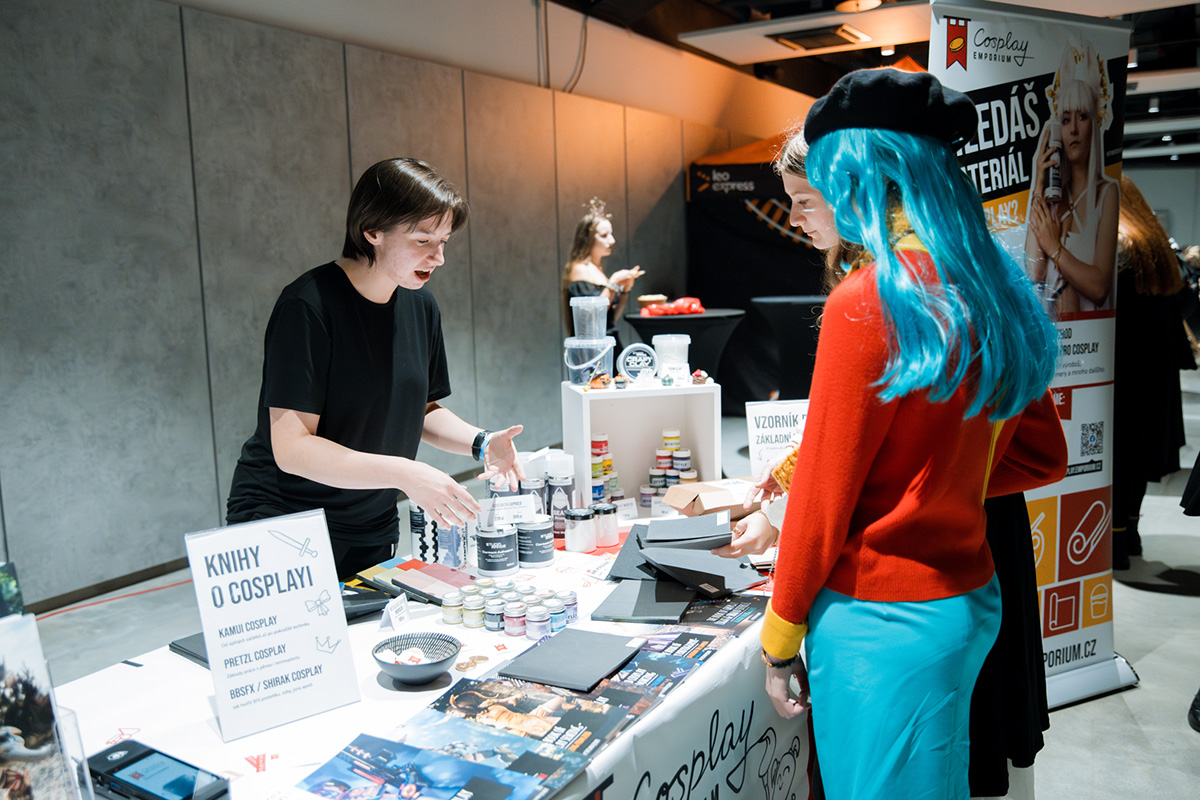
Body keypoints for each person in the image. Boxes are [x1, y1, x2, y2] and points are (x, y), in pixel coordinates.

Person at [753, 69, 1068, 800]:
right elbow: (1041, 453)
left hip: (881, 619)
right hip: (966, 599)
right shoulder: (988, 284)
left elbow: (823, 497)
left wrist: (780, 636)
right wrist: (934, 482)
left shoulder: (869, 298)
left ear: (856, 171)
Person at [226, 158, 524, 580]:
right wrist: (407, 473)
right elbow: (292, 450)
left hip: (371, 522)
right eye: (422, 240)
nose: (438, 257)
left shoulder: (420, 305)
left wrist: (482, 442)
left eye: (443, 241)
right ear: (372, 232)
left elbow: (420, 410)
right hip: (286, 521)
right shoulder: (308, 305)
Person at [1111, 174, 1193, 569]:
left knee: (1119, 456)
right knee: (1140, 457)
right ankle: (1130, 533)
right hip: (1156, 371)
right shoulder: (1156, 246)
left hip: (1124, 368)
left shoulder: (1118, 247)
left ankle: (1115, 543)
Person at [1024, 43, 1120, 315]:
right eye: (1065, 120)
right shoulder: (1053, 199)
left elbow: (1099, 289)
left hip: (1089, 336)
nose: (1074, 130)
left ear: (1094, 123)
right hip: (1051, 335)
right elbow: (1033, 273)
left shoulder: (1107, 193)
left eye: (1082, 116)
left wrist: (1054, 247)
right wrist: (1038, 181)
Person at [561, 198, 645, 344]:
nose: (612, 240)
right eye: (604, 235)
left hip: (609, 342)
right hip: (592, 348)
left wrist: (625, 290)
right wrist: (613, 283)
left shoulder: (597, 269)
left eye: (611, 234)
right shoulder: (580, 270)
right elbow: (592, 318)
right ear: (587, 239)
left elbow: (610, 319)